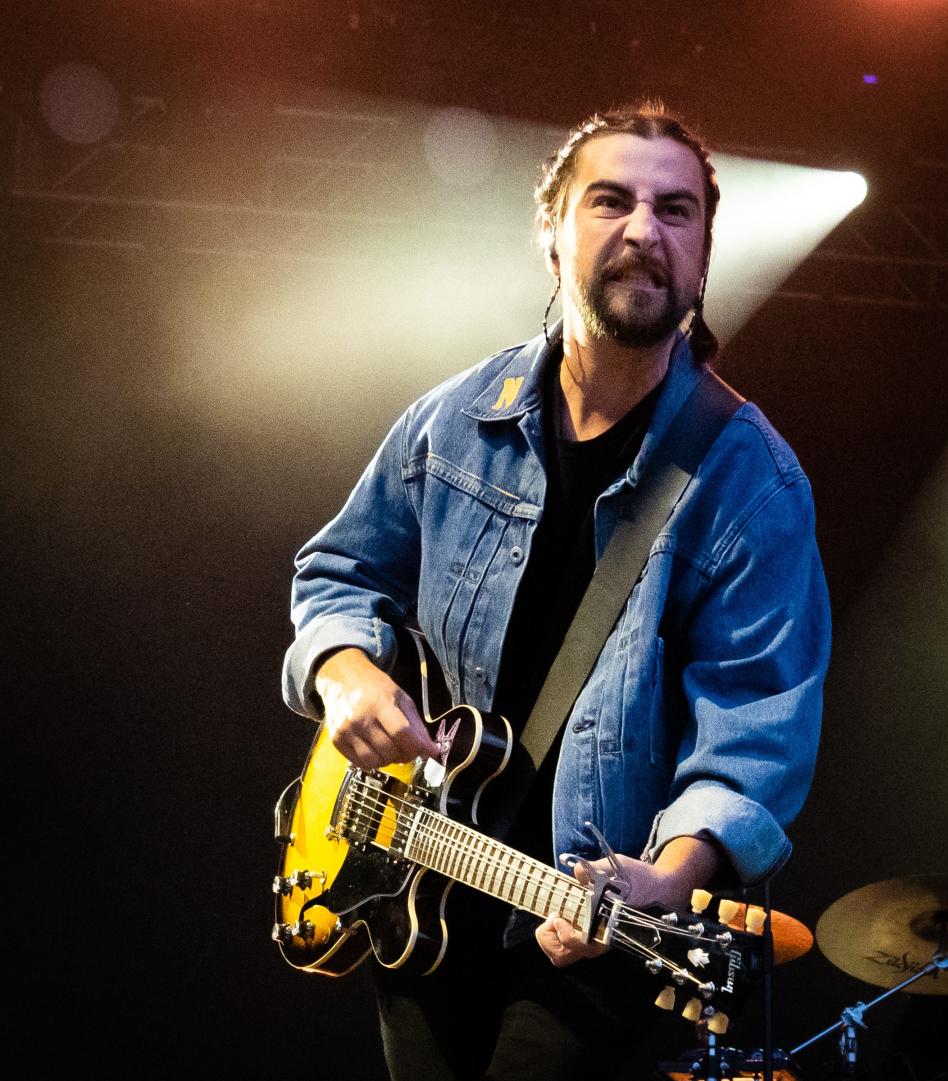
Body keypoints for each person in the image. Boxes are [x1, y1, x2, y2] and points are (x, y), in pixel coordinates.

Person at [282, 103, 831, 1080]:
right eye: (610, 200)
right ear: (552, 233)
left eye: (676, 210)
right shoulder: (451, 421)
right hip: (417, 896)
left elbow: (752, 726)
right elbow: (338, 569)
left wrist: (673, 875)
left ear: (704, 254)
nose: (642, 230)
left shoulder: (754, 482)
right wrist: (344, 673)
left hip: (592, 926)